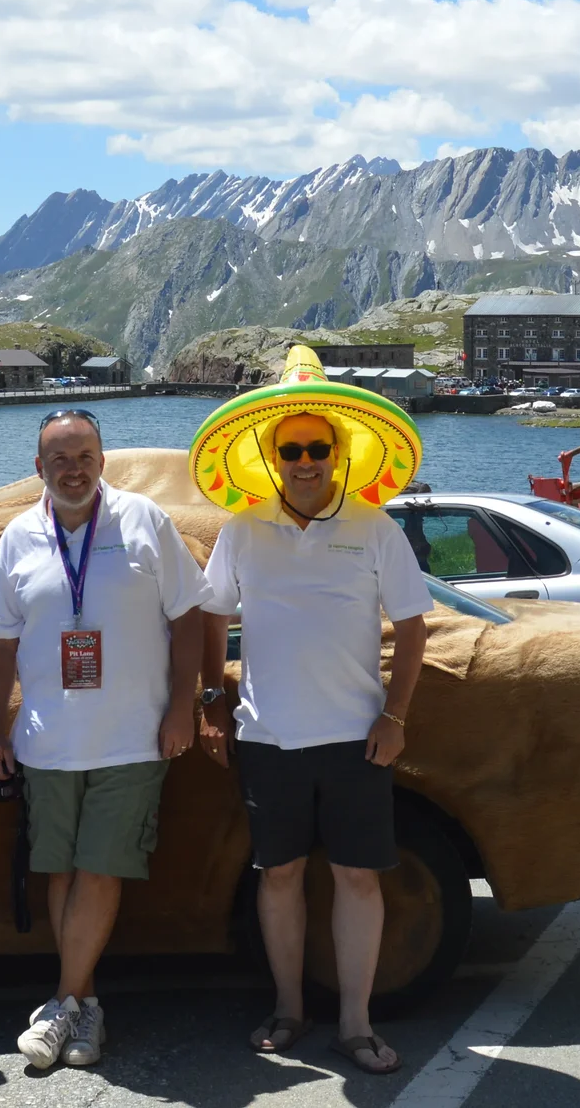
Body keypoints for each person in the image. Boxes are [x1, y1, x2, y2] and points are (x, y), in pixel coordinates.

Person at [190, 348, 431, 1077]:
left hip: (356, 738)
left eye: (316, 448)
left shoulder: (375, 526)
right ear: (272, 456)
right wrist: (211, 700)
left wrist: (395, 717)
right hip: (268, 736)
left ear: (338, 453)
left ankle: (354, 1023)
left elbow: (414, 625)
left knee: (360, 878)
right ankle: (290, 1008)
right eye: (290, 450)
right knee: (280, 874)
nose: (304, 461)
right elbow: (211, 618)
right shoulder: (242, 529)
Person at [0, 410, 208, 1072]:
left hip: (134, 735)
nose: (73, 469)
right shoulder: (19, 538)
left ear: (101, 460)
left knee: (102, 867)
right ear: (39, 469)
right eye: (59, 459)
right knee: (61, 869)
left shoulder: (144, 522)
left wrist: (182, 710)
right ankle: (85, 1008)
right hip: (48, 741)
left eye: (84, 455)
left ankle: (59, 1002)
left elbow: (190, 619)